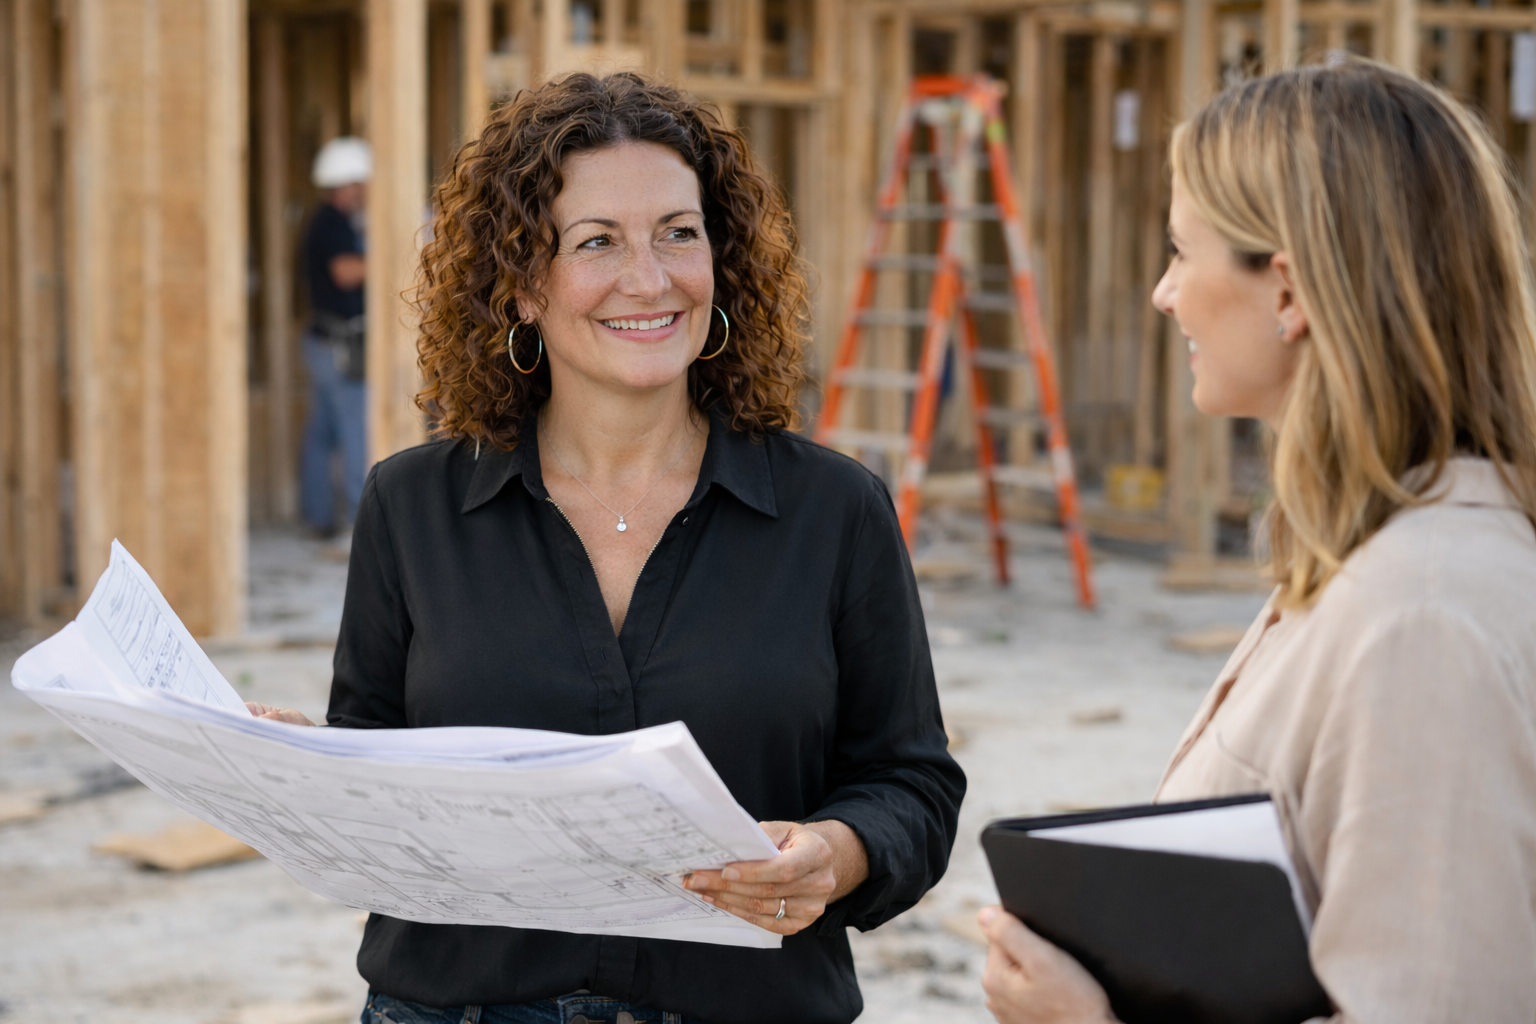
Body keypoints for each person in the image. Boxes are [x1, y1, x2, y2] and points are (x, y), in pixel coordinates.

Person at [249, 72, 965, 1024]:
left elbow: (912, 782)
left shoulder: (836, 511)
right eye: (597, 242)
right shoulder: (410, 507)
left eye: (679, 231)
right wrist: (318, 776)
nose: (651, 277)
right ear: (518, 286)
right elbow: (383, 770)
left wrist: (841, 853)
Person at [977, 60, 1536, 1024]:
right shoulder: (1377, 566)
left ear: (1286, 291)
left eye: (1181, 252)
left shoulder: (1424, 619)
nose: (1163, 294)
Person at [300, 136, 372, 539]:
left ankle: (319, 516)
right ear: (348, 183)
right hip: (336, 347)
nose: (364, 191)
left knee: (323, 432)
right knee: (355, 432)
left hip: (324, 342)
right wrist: (396, 255)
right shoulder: (332, 222)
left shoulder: (331, 220)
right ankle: (360, 530)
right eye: (360, 183)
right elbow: (345, 272)